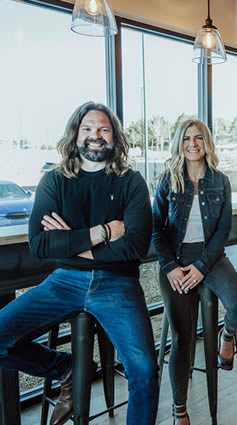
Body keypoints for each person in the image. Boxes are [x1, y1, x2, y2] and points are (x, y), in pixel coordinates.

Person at [0, 102, 158, 425]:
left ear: (114, 136)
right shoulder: (54, 181)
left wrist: (70, 242)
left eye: (103, 129)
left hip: (119, 283)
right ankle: (65, 369)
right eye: (87, 129)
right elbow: (41, 244)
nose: (94, 136)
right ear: (75, 135)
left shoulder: (132, 182)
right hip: (65, 280)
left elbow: (135, 248)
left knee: (144, 371)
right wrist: (103, 232)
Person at [152, 119, 237, 425]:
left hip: (211, 259)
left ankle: (228, 335)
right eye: (186, 139)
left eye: (198, 138)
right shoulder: (168, 180)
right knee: (182, 339)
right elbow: (156, 230)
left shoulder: (220, 181)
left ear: (206, 142)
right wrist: (170, 267)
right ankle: (179, 409)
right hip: (176, 263)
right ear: (179, 144)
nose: (192, 144)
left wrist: (202, 266)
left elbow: (222, 232)